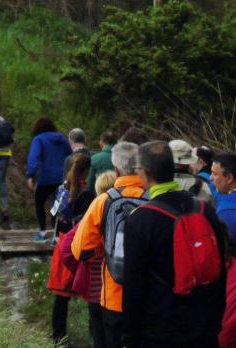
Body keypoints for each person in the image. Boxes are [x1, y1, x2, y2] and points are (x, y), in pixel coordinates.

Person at [122, 141, 228, 348]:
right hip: (203, 326)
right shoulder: (204, 210)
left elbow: (134, 285)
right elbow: (220, 268)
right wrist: (216, 321)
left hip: (159, 331)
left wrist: (129, 337)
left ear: (145, 173)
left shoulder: (140, 219)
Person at [71, 141, 144, 348]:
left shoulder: (103, 201)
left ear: (116, 168)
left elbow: (80, 250)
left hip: (114, 296)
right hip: (150, 297)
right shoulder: (154, 198)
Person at [47, 156, 93, 344]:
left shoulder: (62, 189)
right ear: (87, 172)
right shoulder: (89, 195)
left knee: (61, 296)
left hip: (62, 244)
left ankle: (58, 336)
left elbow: (53, 217)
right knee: (93, 292)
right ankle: (94, 334)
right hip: (80, 244)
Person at [26, 117, 72, 239]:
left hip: (45, 178)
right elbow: (71, 156)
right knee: (57, 206)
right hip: (61, 178)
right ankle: (57, 235)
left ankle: (42, 232)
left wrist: (31, 175)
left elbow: (33, 158)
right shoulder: (62, 139)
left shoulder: (38, 139)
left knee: (39, 204)